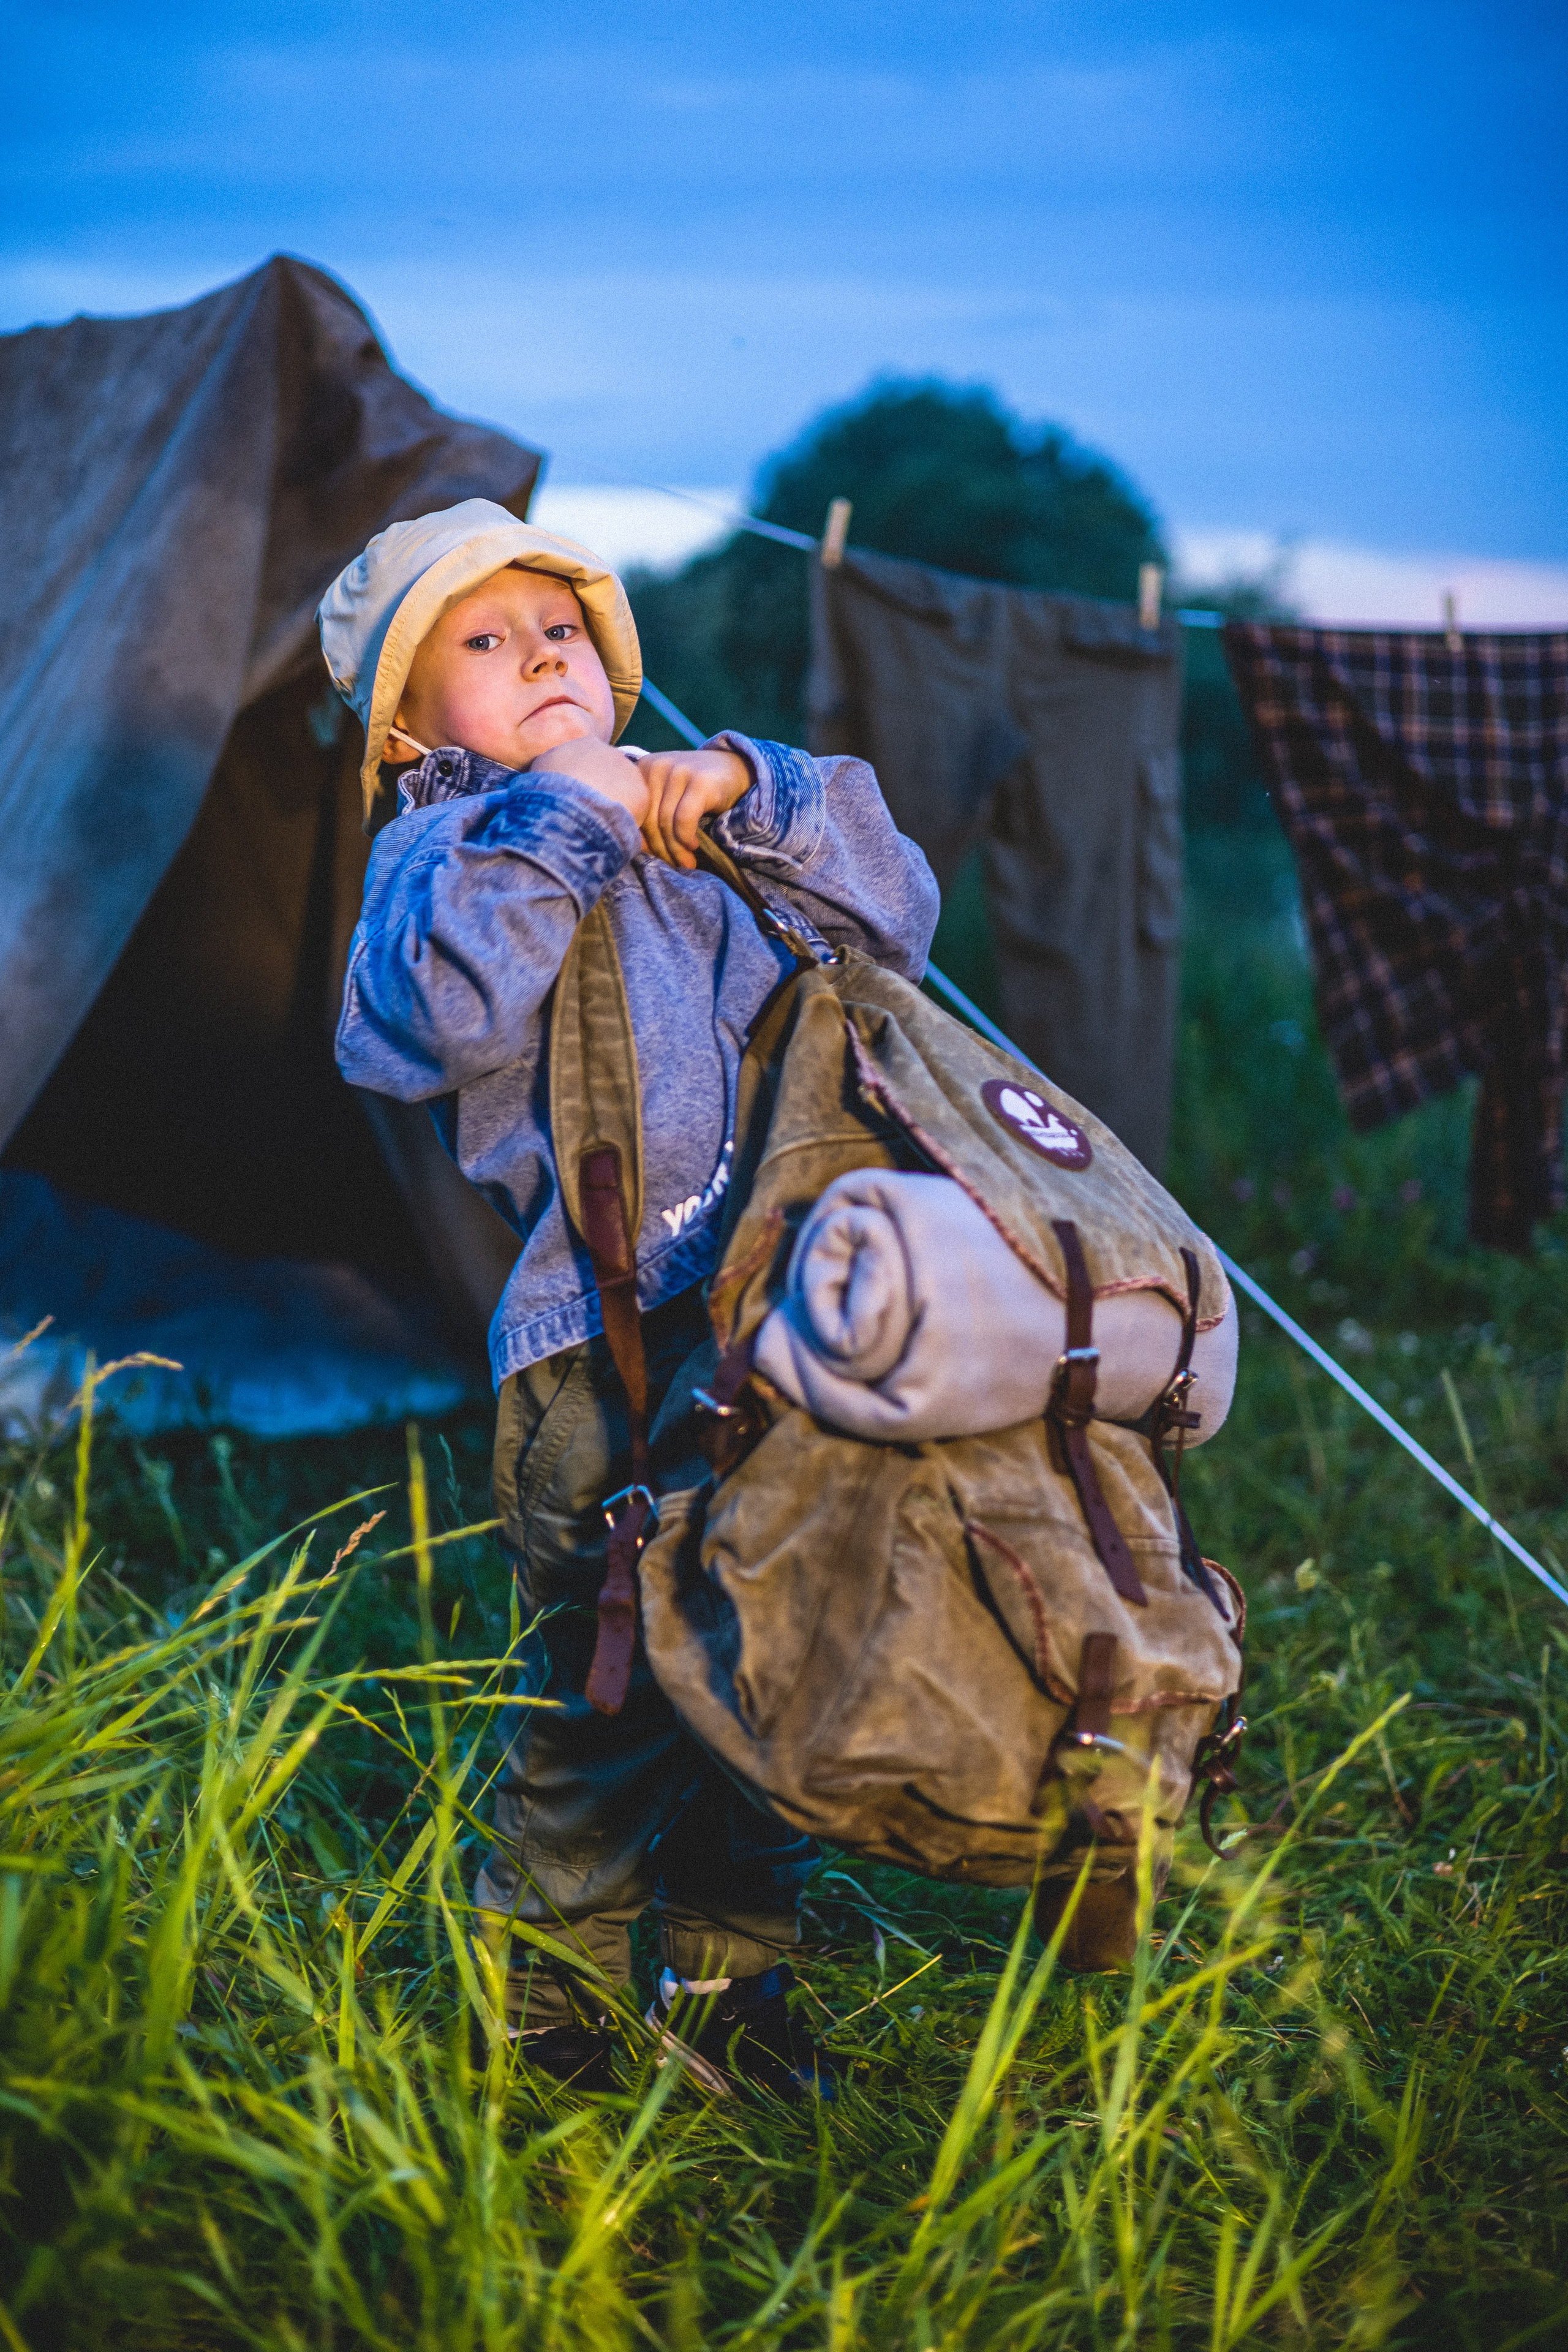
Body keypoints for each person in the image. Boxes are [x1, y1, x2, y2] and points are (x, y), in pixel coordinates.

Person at [319, 501, 939, 2095]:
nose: (541, 652)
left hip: (785, 1311)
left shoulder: (706, 824)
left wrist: (743, 785)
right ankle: (552, 1990)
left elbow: (896, 919)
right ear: (407, 719)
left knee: (778, 1644)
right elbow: (424, 1024)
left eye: (565, 629)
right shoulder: (446, 847)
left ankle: (729, 1967)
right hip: (598, 1338)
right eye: (486, 638)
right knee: (611, 1681)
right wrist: (571, 816)